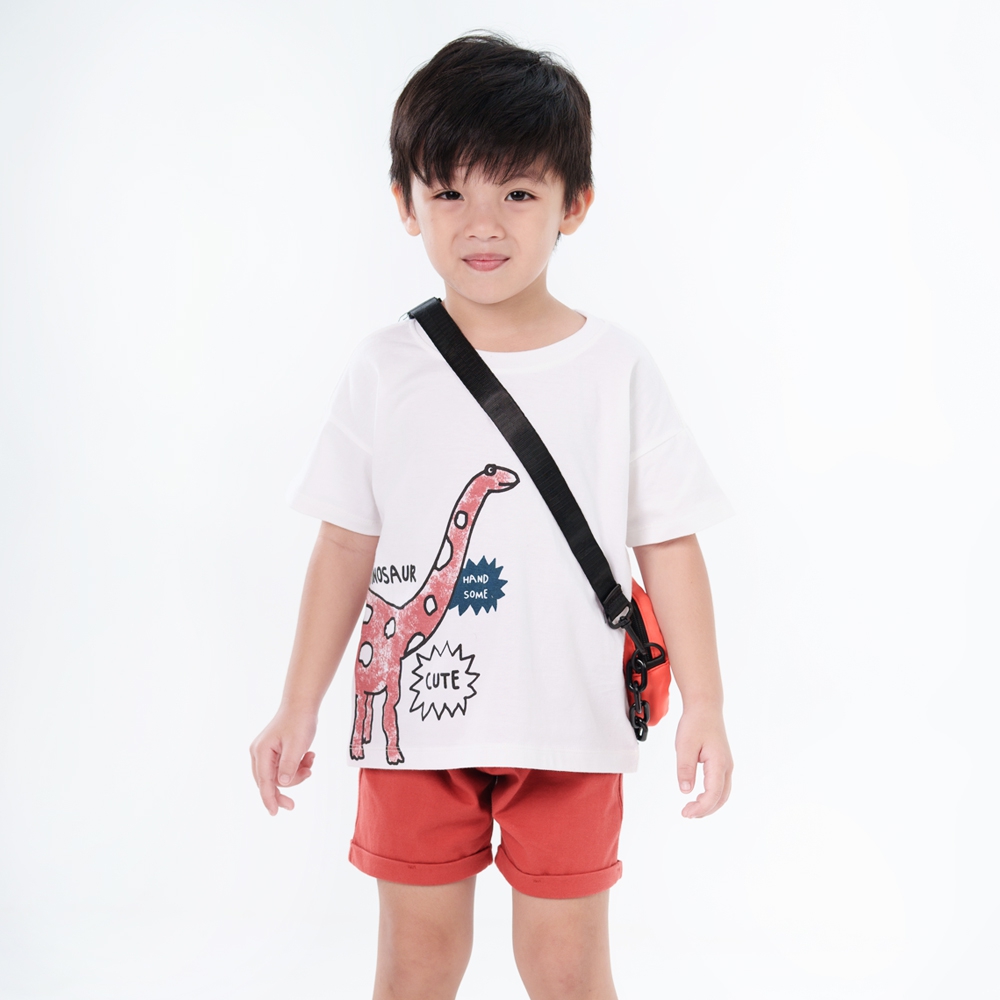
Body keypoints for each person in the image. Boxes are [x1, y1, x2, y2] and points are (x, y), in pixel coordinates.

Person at [250, 31, 735, 1000]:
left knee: (567, 968)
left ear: (574, 203)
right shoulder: (385, 366)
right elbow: (343, 542)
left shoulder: (616, 367)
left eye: (516, 192)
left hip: (571, 722)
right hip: (416, 729)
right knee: (416, 964)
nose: (483, 223)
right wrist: (298, 701)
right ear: (405, 204)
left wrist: (708, 707)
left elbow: (669, 540)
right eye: (448, 193)